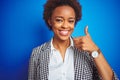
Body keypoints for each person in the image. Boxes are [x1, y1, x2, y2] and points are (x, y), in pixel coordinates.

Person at [28, 0, 118, 80]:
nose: (65, 26)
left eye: (70, 21)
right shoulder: (37, 53)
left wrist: (94, 49)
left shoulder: (87, 50)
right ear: (50, 21)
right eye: (59, 20)